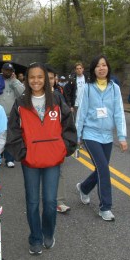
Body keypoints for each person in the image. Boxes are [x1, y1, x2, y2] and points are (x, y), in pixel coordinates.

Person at [6, 62, 76, 255]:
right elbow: (13, 131)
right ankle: (35, 238)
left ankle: (48, 233)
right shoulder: (20, 103)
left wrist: (63, 149)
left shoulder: (57, 99)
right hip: (31, 161)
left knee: (51, 201)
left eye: (40, 77)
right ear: (26, 80)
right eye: (32, 77)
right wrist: (23, 153)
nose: (36, 80)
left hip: (53, 160)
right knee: (33, 202)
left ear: (46, 78)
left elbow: (69, 127)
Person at [75, 55, 128, 221]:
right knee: (104, 170)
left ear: (108, 68)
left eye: (104, 65)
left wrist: (122, 136)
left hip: (107, 136)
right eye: (98, 66)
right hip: (91, 134)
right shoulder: (88, 88)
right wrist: (78, 135)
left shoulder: (115, 88)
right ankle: (105, 207)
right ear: (93, 69)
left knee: (101, 168)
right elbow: (82, 112)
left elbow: (119, 112)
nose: (101, 68)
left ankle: (84, 188)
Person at [46, 65, 72, 213]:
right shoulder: (33, 97)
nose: (49, 81)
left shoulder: (58, 95)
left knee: (58, 170)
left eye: (51, 78)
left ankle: (60, 201)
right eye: (46, 78)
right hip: (39, 143)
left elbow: (66, 119)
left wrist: (67, 142)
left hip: (56, 141)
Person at [0, 63, 25, 168]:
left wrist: (14, 82)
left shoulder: (15, 82)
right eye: (6, 70)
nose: (8, 72)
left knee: (10, 137)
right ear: (2, 70)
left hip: (12, 115)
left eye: (10, 70)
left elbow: (22, 93)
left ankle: (9, 159)